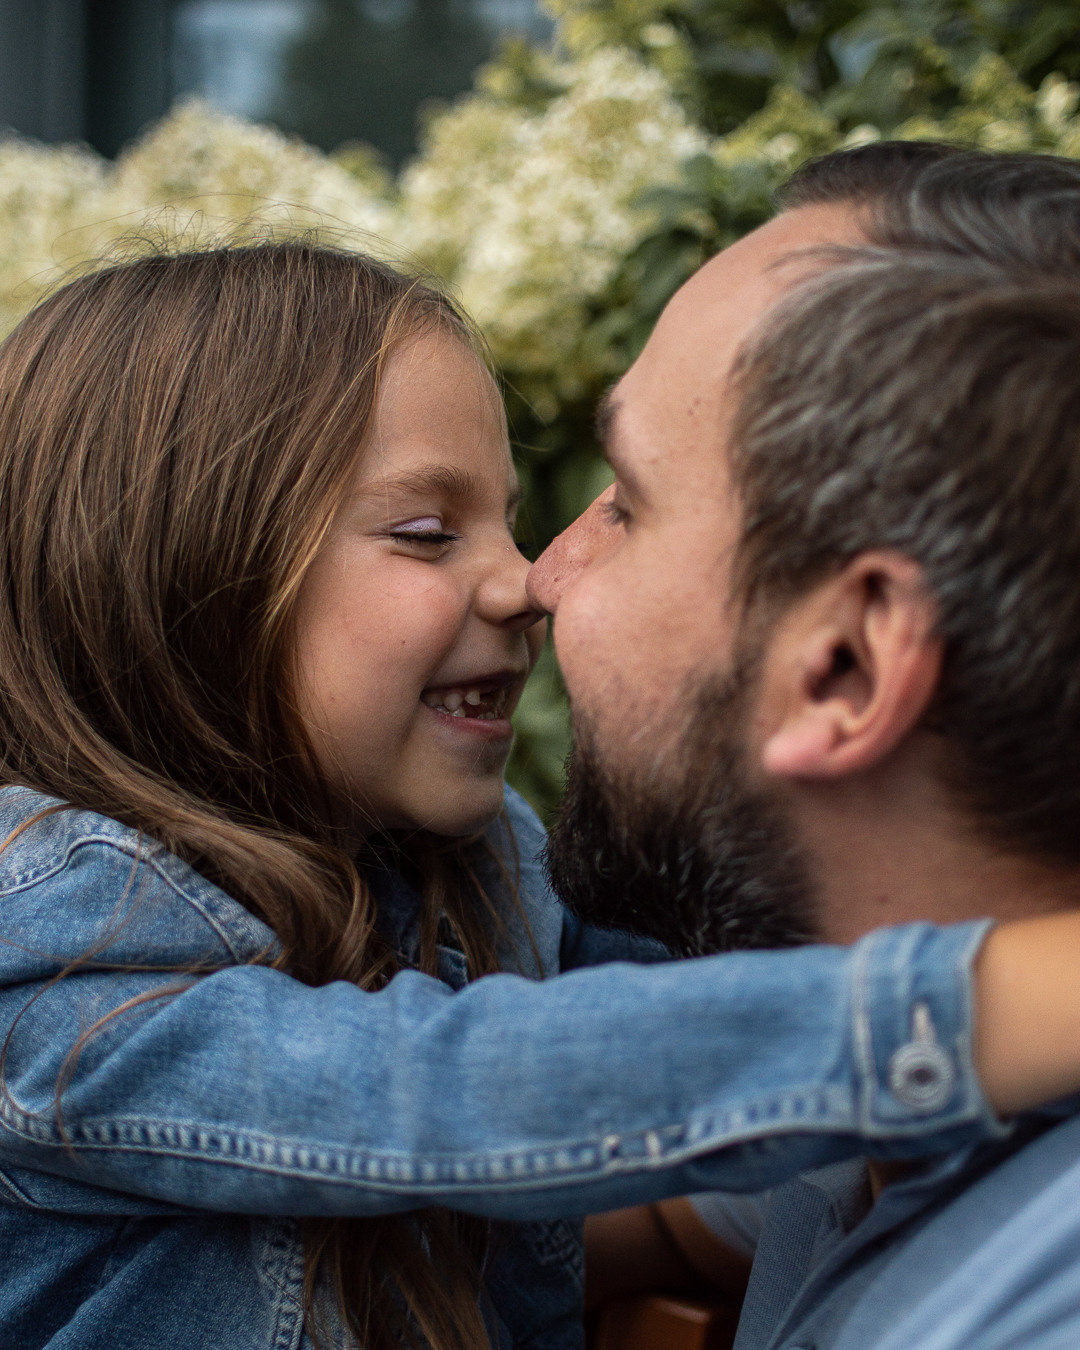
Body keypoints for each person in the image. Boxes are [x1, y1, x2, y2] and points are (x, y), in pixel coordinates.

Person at [0, 234, 1077, 1350]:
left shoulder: (471, 858)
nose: (526, 581)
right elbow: (448, 1090)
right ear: (175, 584)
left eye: (506, 521)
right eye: (427, 535)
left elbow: (689, 1024)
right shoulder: (54, 949)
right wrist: (989, 1003)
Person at [531, 142, 1080, 1349]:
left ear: (846, 669)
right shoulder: (876, 1112)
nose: (544, 574)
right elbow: (649, 1221)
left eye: (626, 503)